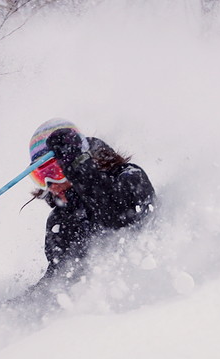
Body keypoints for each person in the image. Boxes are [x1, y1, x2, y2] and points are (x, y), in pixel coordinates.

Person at [25, 118, 156, 296]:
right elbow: (58, 281)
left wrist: (83, 174)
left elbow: (118, 217)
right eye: (41, 176)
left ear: (78, 159)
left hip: (154, 289)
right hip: (102, 313)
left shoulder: (130, 177)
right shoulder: (61, 220)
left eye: (55, 171)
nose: (50, 184)